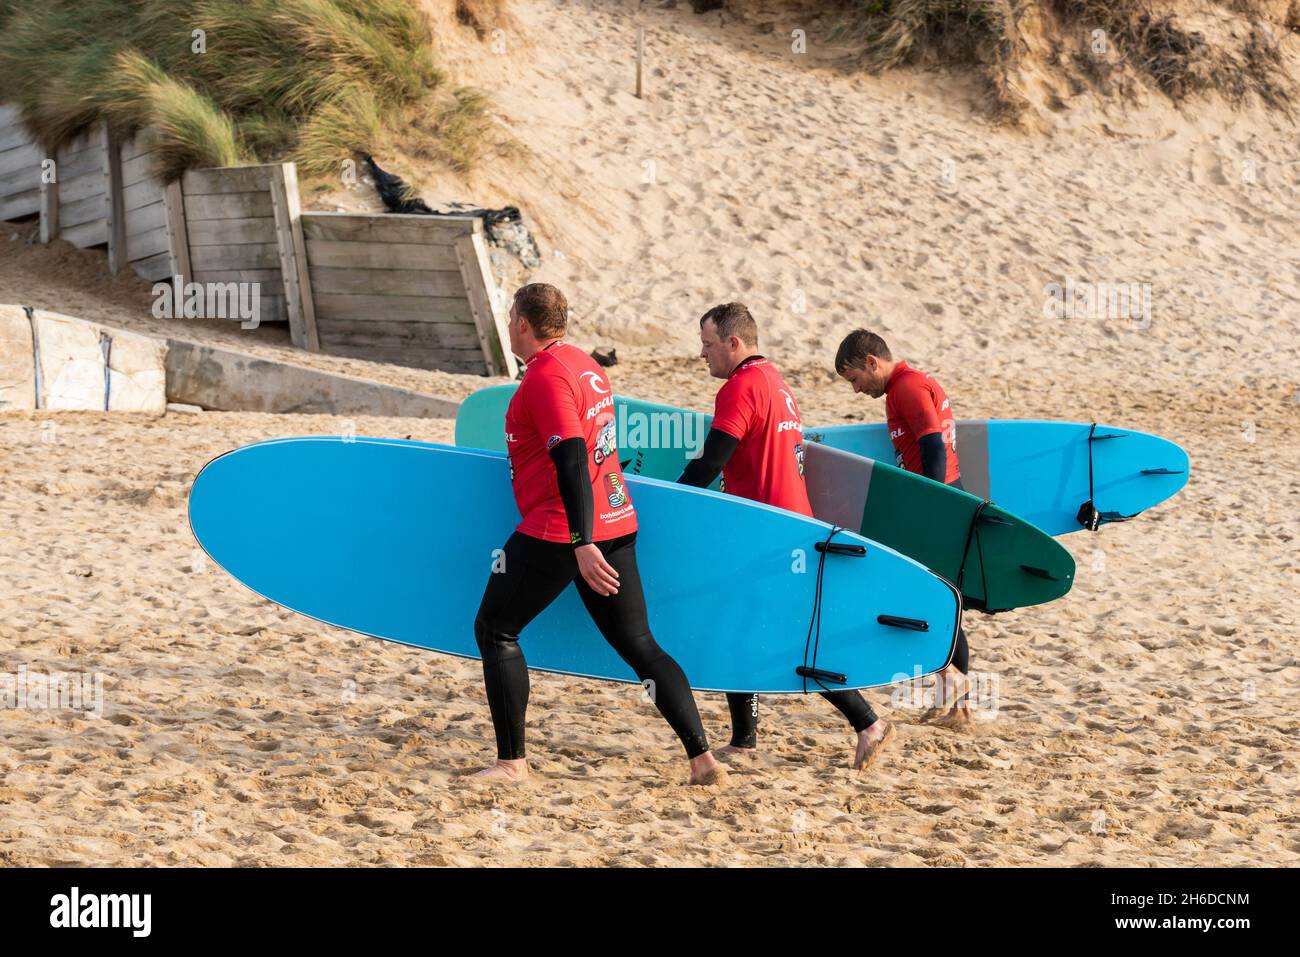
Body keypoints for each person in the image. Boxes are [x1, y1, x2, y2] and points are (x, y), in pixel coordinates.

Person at [471, 283, 725, 785]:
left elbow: (569, 458)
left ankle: (512, 764)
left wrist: (580, 541)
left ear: (523, 323)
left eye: (509, 317)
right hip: (617, 518)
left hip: (561, 530)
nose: (507, 325)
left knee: (496, 629)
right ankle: (703, 760)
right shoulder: (587, 365)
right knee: (640, 645)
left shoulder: (546, 376)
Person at [677, 303, 895, 770]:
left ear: (733, 344)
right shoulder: (774, 380)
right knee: (739, 626)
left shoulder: (740, 388)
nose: (702, 354)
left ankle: (867, 722)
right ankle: (745, 739)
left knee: (785, 634)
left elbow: (711, 463)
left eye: (708, 344)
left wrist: (669, 503)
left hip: (768, 534)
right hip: (789, 526)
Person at [833, 329, 972, 724]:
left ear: (872, 362)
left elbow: (931, 443)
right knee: (944, 597)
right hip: (946, 493)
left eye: (856, 379)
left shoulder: (906, 388)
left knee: (925, 594)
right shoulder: (911, 384)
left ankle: (954, 686)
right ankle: (958, 706)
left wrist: (930, 501)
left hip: (939, 499)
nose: (857, 390)